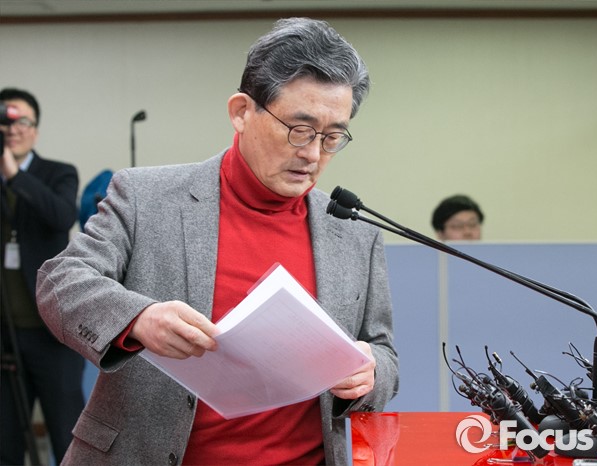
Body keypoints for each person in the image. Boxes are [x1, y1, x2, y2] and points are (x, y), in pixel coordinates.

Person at [36, 18, 399, 465]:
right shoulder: (146, 197)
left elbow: (382, 351)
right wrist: (139, 319)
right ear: (242, 111)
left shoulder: (354, 230)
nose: (311, 153)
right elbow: (60, 281)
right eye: (299, 129)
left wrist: (370, 373)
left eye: (332, 137)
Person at [0, 88, 85, 464]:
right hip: (6, 335)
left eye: (22, 122)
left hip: (52, 333)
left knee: (67, 433)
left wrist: (14, 175)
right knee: (5, 441)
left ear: (35, 129)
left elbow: (62, 216)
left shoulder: (58, 173)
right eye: (4, 122)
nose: (12, 130)